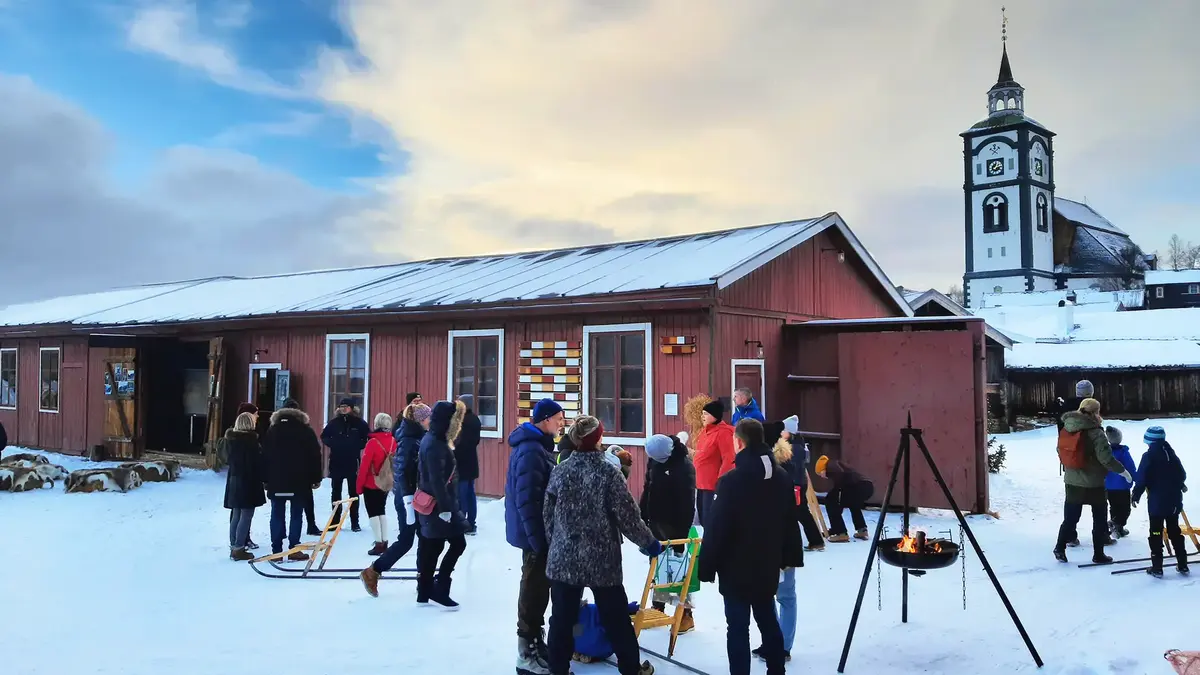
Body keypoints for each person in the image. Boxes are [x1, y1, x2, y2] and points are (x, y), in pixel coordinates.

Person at [544, 415, 659, 675]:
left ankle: (557, 670)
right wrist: (649, 543)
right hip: (602, 561)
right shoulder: (608, 473)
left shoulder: (561, 471)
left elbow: (547, 515)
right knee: (616, 619)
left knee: (561, 619)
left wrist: (556, 543)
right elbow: (628, 517)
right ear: (598, 440)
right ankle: (631, 669)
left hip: (564, 559)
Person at [698, 419, 804, 675]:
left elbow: (717, 527)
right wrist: (789, 557)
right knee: (767, 619)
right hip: (767, 563)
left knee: (737, 627)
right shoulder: (781, 476)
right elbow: (790, 521)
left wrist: (706, 565)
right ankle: (777, 670)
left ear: (739, 442)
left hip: (736, 567)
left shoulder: (732, 481)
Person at [506, 398, 566, 675]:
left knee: (539, 589)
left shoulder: (538, 446)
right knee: (533, 589)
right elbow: (528, 500)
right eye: (558, 419)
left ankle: (535, 644)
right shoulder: (531, 450)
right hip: (534, 535)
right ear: (545, 420)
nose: (562, 424)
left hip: (538, 533)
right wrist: (538, 541)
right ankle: (526, 653)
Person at [360, 402, 432, 598]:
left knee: (425, 538)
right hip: (408, 498)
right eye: (428, 418)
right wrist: (408, 503)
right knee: (407, 540)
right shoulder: (409, 441)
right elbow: (403, 473)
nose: (430, 421)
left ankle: (424, 580)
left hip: (414, 496)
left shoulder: (416, 437)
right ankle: (373, 571)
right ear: (419, 420)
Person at [1053, 398, 1132, 564]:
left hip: (1072, 481)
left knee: (1070, 518)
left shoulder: (1067, 427)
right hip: (1094, 483)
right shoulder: (1096, 433)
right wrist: (1123, 471)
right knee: (1099, 518)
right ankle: (1098, 554)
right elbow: (1106, 459)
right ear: (1096, 412)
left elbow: (1060, 450)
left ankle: (1059, 547)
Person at [413, 400, 469, 608]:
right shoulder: (435, 444)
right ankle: (440, 587)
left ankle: (424, 592)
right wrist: (445, 509)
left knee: (432, 547)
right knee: (457, 544)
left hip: (434, 502)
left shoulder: (432, 438)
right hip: (439, 504)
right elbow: (436, 479)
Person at [640, 433, 697, 633]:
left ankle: (686, 614)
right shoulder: (655, 461)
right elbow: (648, 487)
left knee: (678, 570)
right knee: (657, 566)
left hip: (676, 525)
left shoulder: (684, 467)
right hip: (656, 523)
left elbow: (688, 503)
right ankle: (658, 606)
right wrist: (642, 514)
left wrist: (682, 535)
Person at [262, 399, 323, 559]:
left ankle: (276, 551)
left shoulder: (273, 430)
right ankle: (294, 549)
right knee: (296, 514)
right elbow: (315, 455)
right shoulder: (305, 430)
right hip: (299, 480)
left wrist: (265, 479)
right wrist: (316, 478)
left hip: (276, 480)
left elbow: (264, 456)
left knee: (276, 514)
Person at [1133, 426, 1190, 577]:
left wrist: (1136, 495)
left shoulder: (1148, 456)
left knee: (1156, 532)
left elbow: (1141, 478)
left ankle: (1157, 567)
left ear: (1149, 441)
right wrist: (1178, 484)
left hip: (1157, 503)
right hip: (1174, 502)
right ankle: (1183, 564)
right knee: (1174, 531)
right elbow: (1181, 474)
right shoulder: (1171, 454)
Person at [321, 398, 371, 532]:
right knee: (335, 492)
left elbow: (368, 437)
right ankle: (335, 521)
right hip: (336, 460)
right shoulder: (334, 423)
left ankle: (355, 522)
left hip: (352, 461)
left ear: (352, 408)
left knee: (353, 493)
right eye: (341, 406)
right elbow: (324, 436)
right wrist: (334, 443)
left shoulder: (359, 423)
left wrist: (358, 445)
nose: (343, 408)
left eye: (346, 406)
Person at [775, 415, 823, 552]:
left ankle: (816, 540)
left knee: (800, 512)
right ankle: (815, 540)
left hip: (795, 484)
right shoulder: (798, 446)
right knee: (800, 512)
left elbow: (792, 467)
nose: (780, 433)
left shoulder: (794, 448)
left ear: (790, 432)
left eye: (783, 431)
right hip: (797, 483)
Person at [223, 412, 266, 561]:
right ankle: (239, 548)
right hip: (248, 481)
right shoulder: (251, 442)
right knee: (246, 515)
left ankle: (234, 545)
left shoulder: (231, 440)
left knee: (236, 514)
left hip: (234, 480)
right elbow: (256, 464)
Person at [357, 412, 397, 556]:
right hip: (385, 481)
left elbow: (364, 466)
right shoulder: (393, 441)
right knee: (381, 510)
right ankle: (385, 541)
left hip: (371, 482)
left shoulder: (373, 442)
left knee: (373, 513)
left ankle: (378, 542)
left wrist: (359, 486)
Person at [694, 399, 735, 531]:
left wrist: (722, 481)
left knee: (711, 520)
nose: (703, 417)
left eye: (706, 414)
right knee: (703, 519)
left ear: (715, 416)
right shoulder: (705, 432)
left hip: (713, 485)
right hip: (700, 483)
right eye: (702, 414)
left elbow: (729, 459)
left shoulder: (723, 432)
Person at [814, 455, 874, 543]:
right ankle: (862, 530)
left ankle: (840, 533)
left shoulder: (831, 466)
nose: (822, 477)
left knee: (830, 501)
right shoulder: (836, 464)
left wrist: (838, 500)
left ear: (822, 469)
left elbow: (840, 476)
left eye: (820, 474)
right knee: (853, 504)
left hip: (857, 486)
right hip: (866, 486)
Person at [455, 394, 483, 535]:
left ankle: (462, 523)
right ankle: (471, 522)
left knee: (461, 494)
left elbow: (458, 443)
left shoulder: (462, 421)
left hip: (461, 462)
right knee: (470, 494)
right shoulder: (475, 419)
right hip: (471, 461)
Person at [1103, 426, 1137, 539]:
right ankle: (1115, 523)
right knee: (1125, 509)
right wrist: (1137, 478)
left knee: (1114, 507)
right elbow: (1131, 468)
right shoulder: (1123, 453)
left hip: (1108, 486)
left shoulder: (1105, 452)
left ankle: (1118, 528)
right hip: (1122, 487)